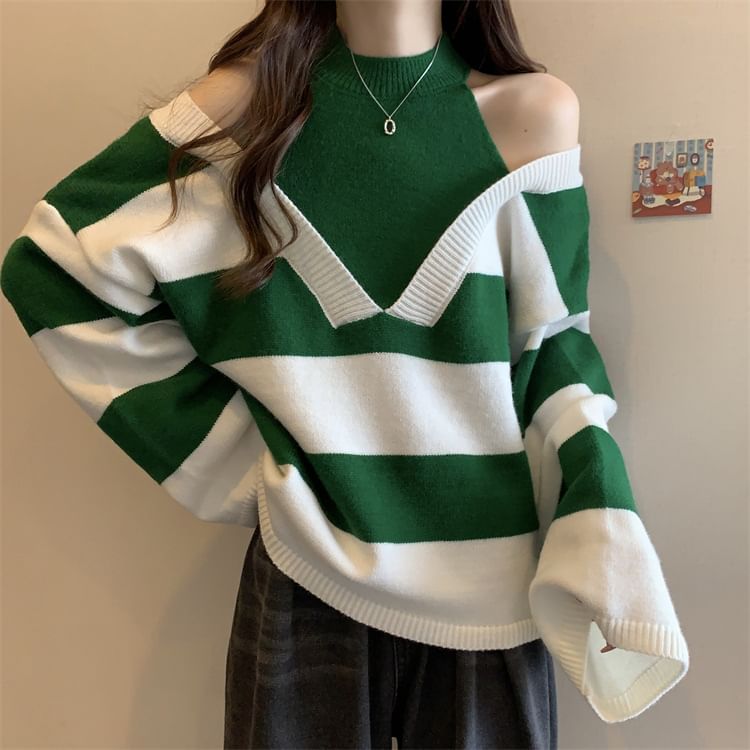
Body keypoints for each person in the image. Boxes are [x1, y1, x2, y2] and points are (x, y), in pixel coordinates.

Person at [1, 0, 689, 747]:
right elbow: (53, 270)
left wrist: (604, 535)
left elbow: (557, 354)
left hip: (493, 585)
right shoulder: (243, 114)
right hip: (305, 569)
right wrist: (243, 463)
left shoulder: (534, 115)